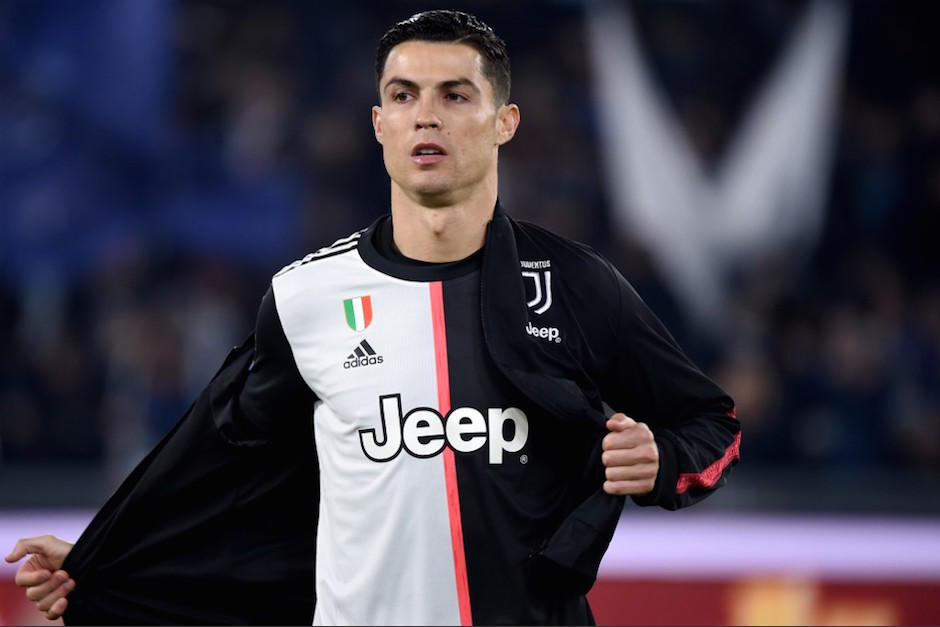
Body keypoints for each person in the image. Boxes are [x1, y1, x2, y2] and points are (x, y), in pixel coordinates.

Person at [6, 9, 741, 625]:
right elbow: (217, 467)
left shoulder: (579, 287)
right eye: (403, 93)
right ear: (379, 122)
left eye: (455, 95)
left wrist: (662, 462)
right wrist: (108, 555)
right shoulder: (304, 300)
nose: (426, 113)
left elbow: (713, 424)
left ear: (505, 122)